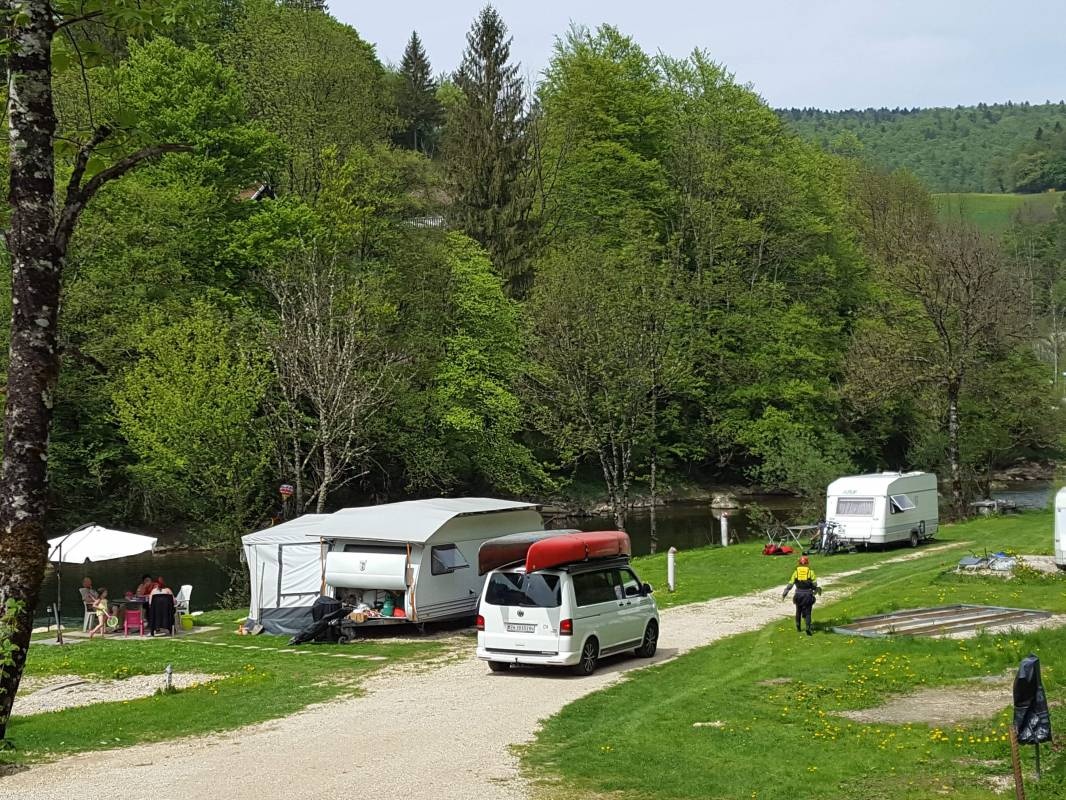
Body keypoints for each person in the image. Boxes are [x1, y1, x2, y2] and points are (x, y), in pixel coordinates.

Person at [781, 556, 821, 636]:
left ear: (799, 563)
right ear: (807, 563)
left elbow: (790, 584)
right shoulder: (810, 572)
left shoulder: (796, 572)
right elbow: (815, 584)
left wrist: (785, 593)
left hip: (798, 595)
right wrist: (815, 588)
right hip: (808, 595)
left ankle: (798, 626)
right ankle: (808, 628)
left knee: (798, 611)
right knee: (808, 612)